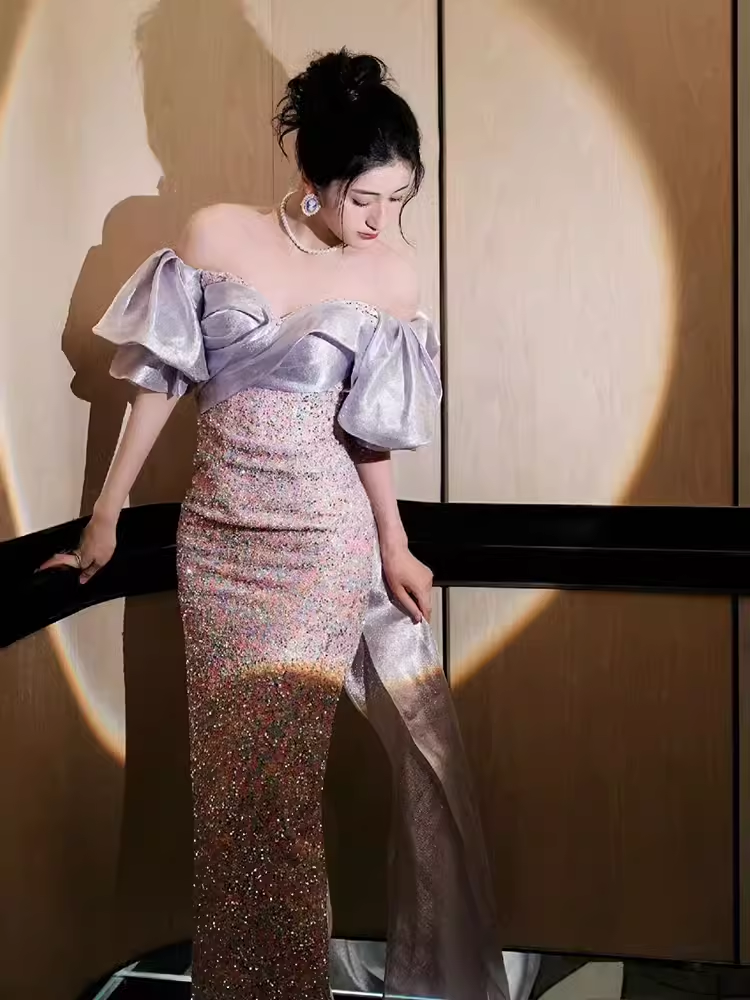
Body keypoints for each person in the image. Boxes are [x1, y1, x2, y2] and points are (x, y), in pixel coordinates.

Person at [43, 49, 508, 1000]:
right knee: (229, 799)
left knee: (282, 798)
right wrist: (105, 515)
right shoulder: (214, 235)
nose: (383, 221)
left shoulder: (390, 278)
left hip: (322, 546)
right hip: (218, 546)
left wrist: (394, 545)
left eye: (400, 200)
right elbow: (158, 382)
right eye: (366, 198)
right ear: (312, 176)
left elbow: (369, 434)